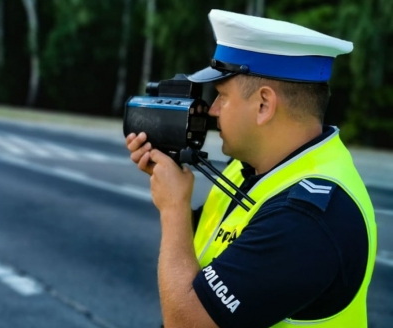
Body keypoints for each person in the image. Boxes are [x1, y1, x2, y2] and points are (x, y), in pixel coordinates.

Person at [126, 9, 377, 328]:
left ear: (263, 105)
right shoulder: (254, 168)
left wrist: (173, 208)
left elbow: (188, 323)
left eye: (221, 96)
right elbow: (213, 246)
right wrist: (168, 172)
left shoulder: (306, 219)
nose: (213, 111)